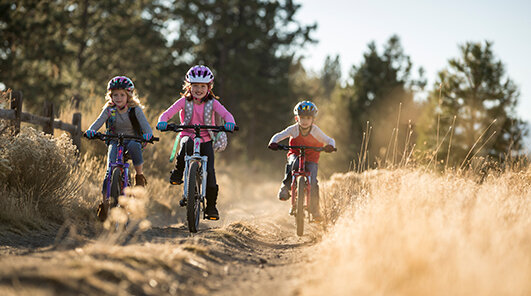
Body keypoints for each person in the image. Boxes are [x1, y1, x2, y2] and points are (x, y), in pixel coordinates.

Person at [156, 65, 236, 221]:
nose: (198, 89)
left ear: (209, 87)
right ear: (189, 86)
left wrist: (230, 123)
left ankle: (211, 207)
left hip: (206, 138)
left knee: (210, 173)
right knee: (185, 146)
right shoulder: (184, 101)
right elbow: (167, 113)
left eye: (202, 86)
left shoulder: (213, 103)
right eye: (195, 86)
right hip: (188, 134)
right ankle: (178, 172)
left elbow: (226, 114)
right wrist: (162, 121)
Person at [268, 100, 336, 220]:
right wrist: (273, 143)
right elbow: (279, 136)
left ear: (313, 119)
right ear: (296, 118)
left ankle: (315, 212)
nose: (305, 121)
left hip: (312, 159)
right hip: (295, 154)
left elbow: (329, 140)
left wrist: (330, 146)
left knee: (313, 182)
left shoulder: (315, 131)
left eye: (308, 118)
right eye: (302, 118)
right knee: (293, 163)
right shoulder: (293, 129)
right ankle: (285, 187)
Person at [85, 76, 154, 190]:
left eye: (122, 95)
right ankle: (104, 203)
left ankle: (139, 176)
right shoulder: (109, 109)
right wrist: (91, 130)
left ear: (129, 95)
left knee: (134, 146)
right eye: (115, 95)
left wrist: (148, 134)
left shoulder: (135, 109)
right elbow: (99, 121)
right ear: (110, 96)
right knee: (110, 170)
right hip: (115, 140)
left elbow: (145, 124)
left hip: (132, 139)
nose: (118, 98)